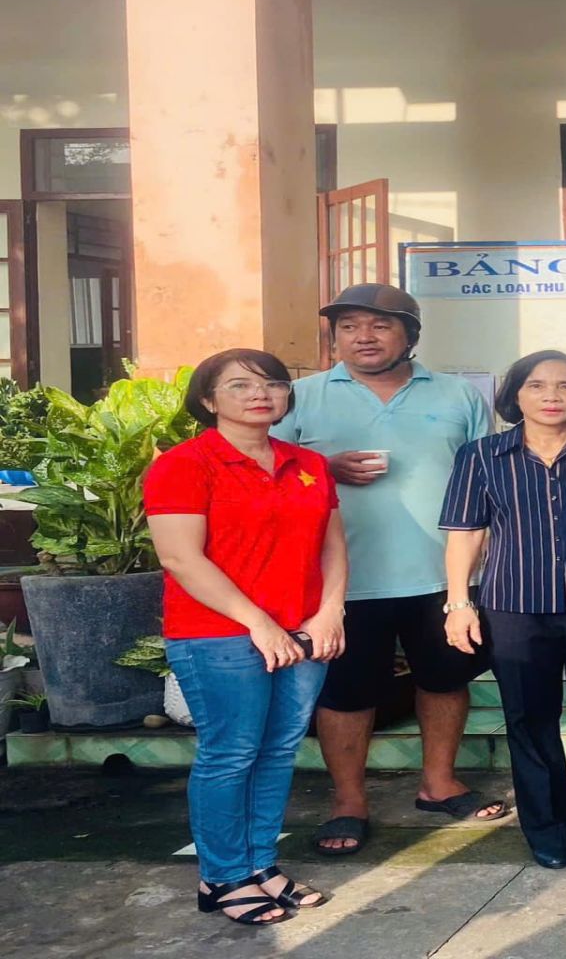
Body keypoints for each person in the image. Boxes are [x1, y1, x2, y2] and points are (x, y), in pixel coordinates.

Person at [275, 284, 505, 857]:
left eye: (379, 325)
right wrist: (322, 467)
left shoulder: (458, 394)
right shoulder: (301, 396)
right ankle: (348, 801)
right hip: (342, 581)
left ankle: (439, 783)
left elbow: (489, 478)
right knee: (347, 691)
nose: (363, 337)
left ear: (410, 335)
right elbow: (267, 472)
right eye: (349, 327)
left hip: (444, 576)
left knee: (445, 679)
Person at [148, 349, 347, 925]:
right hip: (218, 635)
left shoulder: (308, 463)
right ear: (207, 400)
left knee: (279, 749)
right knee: (231, 752)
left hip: (304, 633)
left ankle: (261, 865)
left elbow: (333, 544)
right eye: (239, 385)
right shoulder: (185, 464)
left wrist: (330, 612)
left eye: (272, 383)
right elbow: (180, 558)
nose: (260, 394)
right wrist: (259, 622)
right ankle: (222, 876)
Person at [440, 351, 566, 869]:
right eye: (537, 385)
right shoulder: (481, 454)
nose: (552, 396)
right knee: (529, 720)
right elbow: (466, 532)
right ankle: (547, 828)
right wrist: (459, 602)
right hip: (515, 604)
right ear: (516, 394)